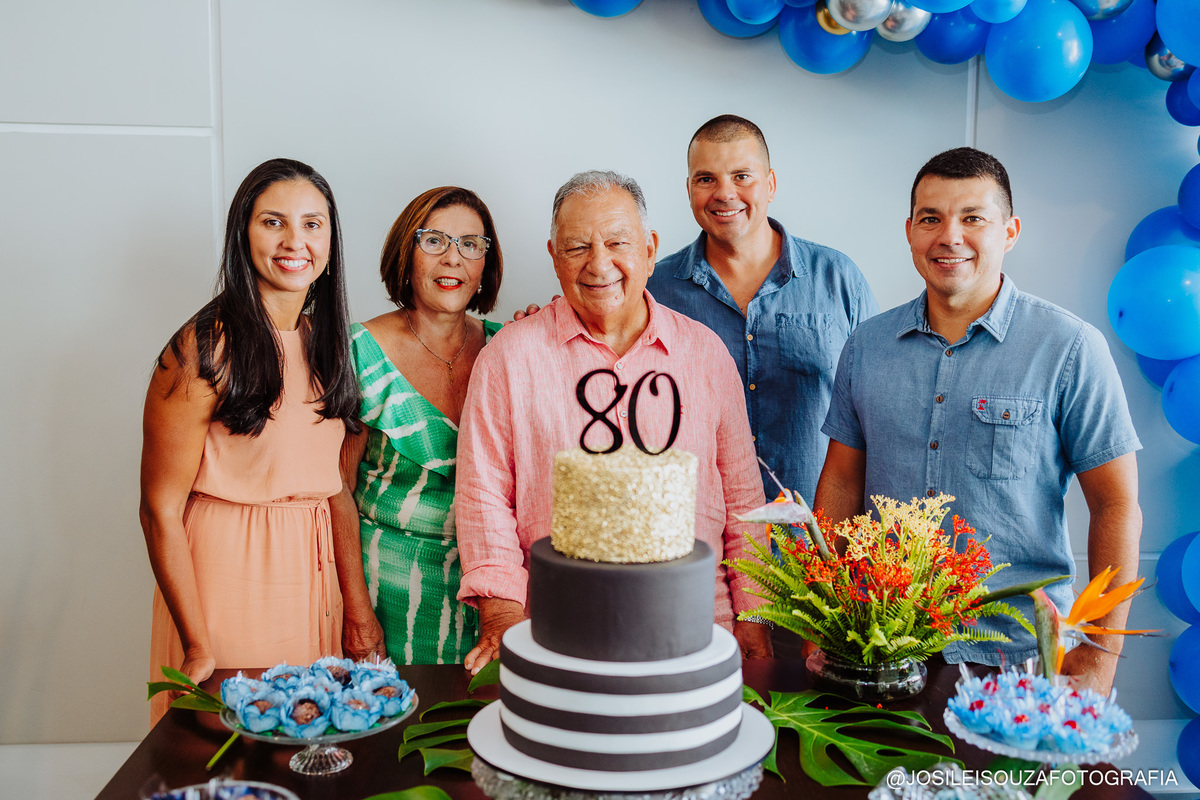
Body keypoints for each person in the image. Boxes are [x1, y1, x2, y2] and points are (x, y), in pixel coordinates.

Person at [814, 147, 1142, 694]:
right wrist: (825, 613)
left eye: (973, 218)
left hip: (1019, 660)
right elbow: (842, 481)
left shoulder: (1069, 348)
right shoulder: (867, 346)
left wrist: (1102, 654)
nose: (950, 236)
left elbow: (1116, 504)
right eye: (931, 218)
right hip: (881, 648)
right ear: (910, 231)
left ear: (1009, 231)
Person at [453, 170, 772, 675]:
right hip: (555, 631)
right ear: (554, 257)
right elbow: (483, 495)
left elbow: (744, 503)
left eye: (617, 242)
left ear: (650, 249)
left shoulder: (705, 354)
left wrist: (756, 614)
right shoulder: (508, 358)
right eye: (577, 247)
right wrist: (501, 614)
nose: (599, 264)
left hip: (697, 630)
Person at [140, 158, 359, 723]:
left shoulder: (328, 344)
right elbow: (159, 508)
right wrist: (197, 642)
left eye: (313, 224)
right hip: (230, 573)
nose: (295, 241)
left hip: (314, 578)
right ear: (244, 233)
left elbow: (334, 486)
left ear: (331, 241)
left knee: (310, 752)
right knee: (235, 751)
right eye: (273, 222)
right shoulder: (204, 346)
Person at [647, 114, 878, 509]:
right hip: (697, 542)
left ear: (770, 184)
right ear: (689, 189)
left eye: (742, 176)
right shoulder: (655, 289)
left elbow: (875, 418)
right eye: (706, 179)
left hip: (815, 548)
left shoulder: (839, 280)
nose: (724, 193)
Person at [330, 187, 504, 666]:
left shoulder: (508, 349)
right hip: (386, 593)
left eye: (471, 244)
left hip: (491, 598)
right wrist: (357, 615)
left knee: (479, 735)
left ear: (485, 264)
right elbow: (335, 490)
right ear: (406, 253)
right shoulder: (359, 350)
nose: (454, 259)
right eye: (435, 241)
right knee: (391, 735)